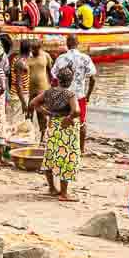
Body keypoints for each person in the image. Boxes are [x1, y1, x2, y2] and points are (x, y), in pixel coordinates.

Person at [28, 68, 81, 202]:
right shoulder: (70, 94)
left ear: (57, 79)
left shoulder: (49, 92)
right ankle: (64, 193)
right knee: (66, 158)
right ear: (70, 80)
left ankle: (52, 188)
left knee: (51, 156)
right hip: (65, 129)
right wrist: (68, 119)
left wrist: (47, 113)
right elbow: (76, 111)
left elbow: (33, 103)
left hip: (52, 127)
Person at [52, 35, 97, 152]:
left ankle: (63, 147)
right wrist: (88, 95)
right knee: (81, 123)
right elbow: (93, 79)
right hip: (79, 96)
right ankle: (81, 149)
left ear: (67, 44)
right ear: (78, 43)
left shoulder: (61, 58)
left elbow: (54, 78)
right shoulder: (85, 58)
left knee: (63, 121)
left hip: (63, 96)